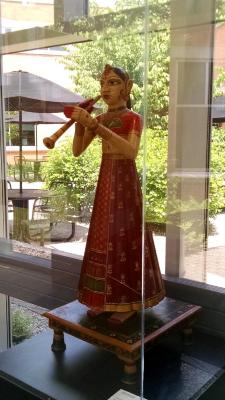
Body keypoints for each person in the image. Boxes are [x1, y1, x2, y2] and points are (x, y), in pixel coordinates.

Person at [71, 64, 165, 324]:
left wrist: (96, 126)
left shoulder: (133, 117)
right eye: (103, 83)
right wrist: (81, 124)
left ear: (127, 86)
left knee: (124, 238)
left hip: (125, 182)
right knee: (104, 237)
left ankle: (127, 304)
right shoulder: (99, 118)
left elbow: (130, 152)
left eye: (112, 82)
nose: (105, 88)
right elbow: (77, 150)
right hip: (106, 181)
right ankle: (104, 299)